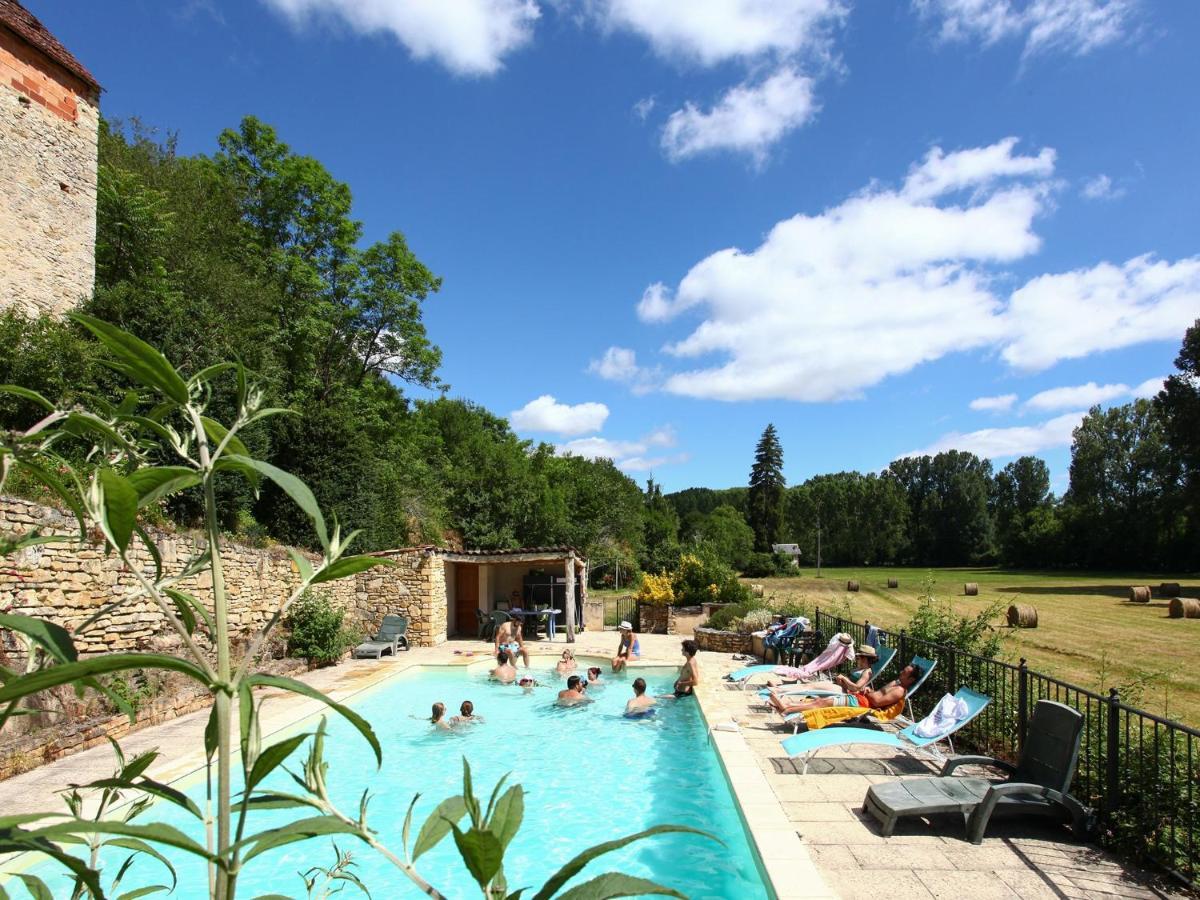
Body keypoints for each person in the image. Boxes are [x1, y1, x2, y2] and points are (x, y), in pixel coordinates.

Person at [767, 664, 923, 716]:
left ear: (911, 680)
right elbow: (878, 693)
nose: (901, 673)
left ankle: (787, 708)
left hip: (861, 703)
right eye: (903, 670)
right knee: (820, 701)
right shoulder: (896, 683)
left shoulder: (900, 691)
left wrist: (868, 693)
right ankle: (788, 705)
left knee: (822, 703)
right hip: (860, 698)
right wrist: (869, 690)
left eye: (905, 673)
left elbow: (878, 701)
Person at [766, 646, 878, 698]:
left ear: (865, 658)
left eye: (859, 658)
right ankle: (779, 689)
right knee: (809, 685)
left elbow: (857, 688)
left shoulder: (867, 672)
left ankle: (779, 690)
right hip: (840, 687)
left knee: (810, 688)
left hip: (846, 693)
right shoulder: (858, 669)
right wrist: (841, 680)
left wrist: (844, 679)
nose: (857, 659)